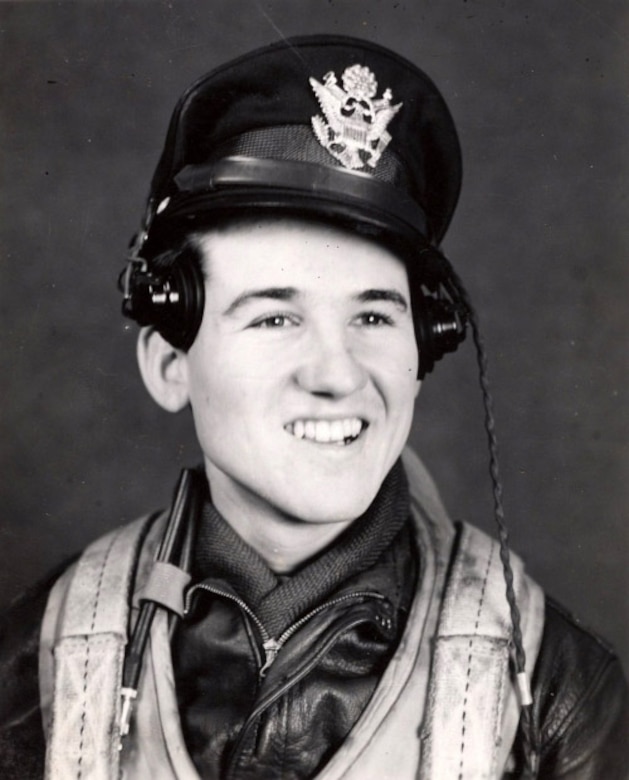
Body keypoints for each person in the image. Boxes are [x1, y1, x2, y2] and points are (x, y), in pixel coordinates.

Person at [0, 35, 627, 780]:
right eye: (274, 318)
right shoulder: (36, 660)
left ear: (424, 348)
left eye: (373, 317)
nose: (337, 375)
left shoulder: (553, 689)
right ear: (170, 364)